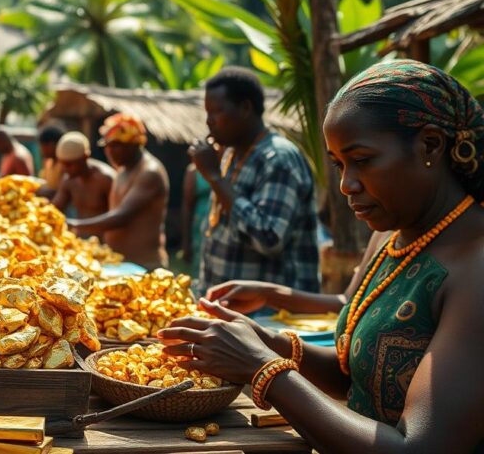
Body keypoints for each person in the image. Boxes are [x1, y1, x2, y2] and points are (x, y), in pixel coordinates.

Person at [160, 60, 484, 452]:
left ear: (430, 145)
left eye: (362, 160)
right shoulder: (388, 235)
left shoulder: (475, 267)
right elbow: (353, 374)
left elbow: (420, 447)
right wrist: (265, 340)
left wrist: (263, 367)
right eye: (338, 164)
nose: (346, 185)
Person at [189, 67, 319, 293]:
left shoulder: (278, 158)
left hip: (271, 316)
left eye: (217, 111)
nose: (209, 121)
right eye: (207, 112)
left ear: (246, 108)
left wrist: (214, 178)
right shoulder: (231, 153)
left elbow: (269, 239)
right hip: (230, 307)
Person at [68, 113, 169, 269]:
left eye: (115, 145)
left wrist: (74, 224)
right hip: (120, 264)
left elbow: (121, 217)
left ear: (134, 144)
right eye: (106, 145)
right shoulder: (123, 170)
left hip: (145, 266)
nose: (109, 151)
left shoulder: (149, 172)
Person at [52, 131, 115, 219]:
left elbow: (118, 217)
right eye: (62, 164)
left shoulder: (105, 179)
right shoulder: (69, 179)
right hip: (78, 232)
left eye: (69, 164)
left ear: (85, 157)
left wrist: (76, 225)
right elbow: (54, 210)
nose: (64, 169)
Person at [180, 160, 216, 275]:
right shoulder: (194, 170)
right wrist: (185, 242)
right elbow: (187, 205)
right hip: (200, 227)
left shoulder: (230, 166)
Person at [36, 125, 65, 197]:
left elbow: (63, 192)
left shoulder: (65, 165)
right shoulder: (48, 162)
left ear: (52, 145)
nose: (41, 150)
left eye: (43, 146)